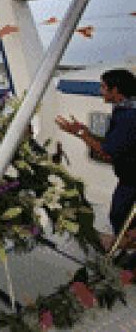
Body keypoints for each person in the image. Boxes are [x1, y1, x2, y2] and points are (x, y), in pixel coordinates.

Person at [55, 68, 136, 248]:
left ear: (115, 90)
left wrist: (80, 133)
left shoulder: (128, 117)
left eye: (103, 87)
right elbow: (116, 144)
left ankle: (125, 257)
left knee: (122, 220)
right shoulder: (126, 109)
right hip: (128, 180)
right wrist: (87, 132)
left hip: (131, 183)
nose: (101, 91)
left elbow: (106, 152)